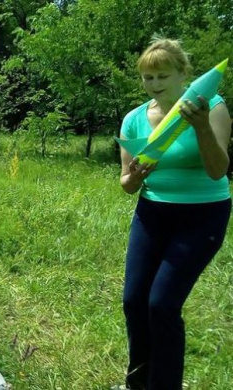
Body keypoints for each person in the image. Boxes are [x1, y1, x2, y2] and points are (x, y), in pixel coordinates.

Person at [117, 36, 231, 390]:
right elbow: (126, 184)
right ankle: (138, 382)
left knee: (162, 305)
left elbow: (218, 170)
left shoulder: (212, 107)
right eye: (148, 78)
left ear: (184, 75)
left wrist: (198, 126)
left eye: (163, 76)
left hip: (202, 216)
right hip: (152, 215)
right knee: (135, 302)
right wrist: (134, 176)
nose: (154, 85)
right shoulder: (135, 119)